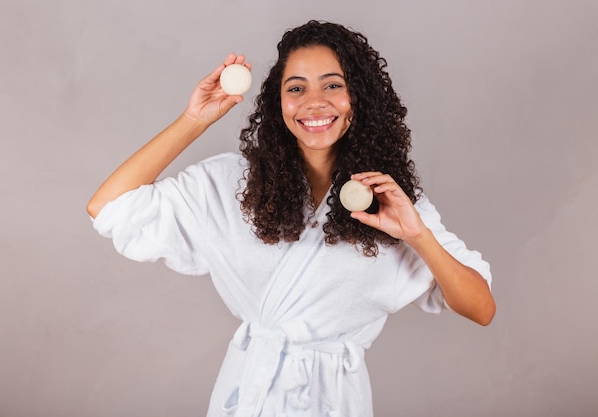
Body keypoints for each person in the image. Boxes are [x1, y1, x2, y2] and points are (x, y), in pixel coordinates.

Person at [87, 20, 495, 417]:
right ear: (277, 102)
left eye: (333, 85)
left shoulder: (393, 204)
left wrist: (417, 235)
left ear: (359, 98)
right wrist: (194, 120)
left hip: (334, 401)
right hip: (248, 396)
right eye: (296, 88)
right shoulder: (233, 183)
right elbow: (107, 206)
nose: (314, 102)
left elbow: (481, 307)